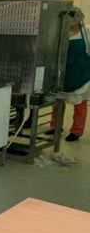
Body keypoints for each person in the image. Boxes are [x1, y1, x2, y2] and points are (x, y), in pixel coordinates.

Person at [48, 11, 90, 142]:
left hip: (81, 73)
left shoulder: (87, 32)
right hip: (63, 72)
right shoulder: (61, 32)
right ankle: (56, 126)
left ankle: (76, 131)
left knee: (80, 103)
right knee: (58, 102)